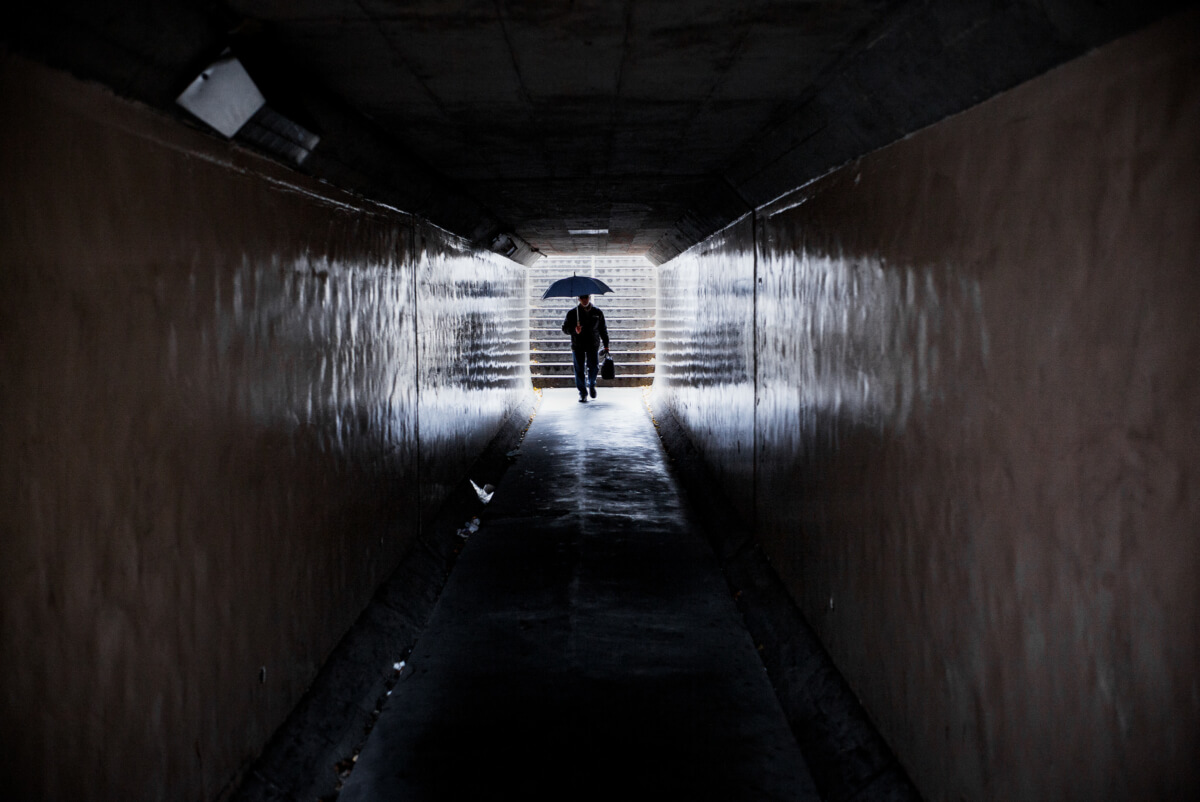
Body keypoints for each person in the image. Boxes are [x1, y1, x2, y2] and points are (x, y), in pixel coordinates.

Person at [561, 294, 610, 402]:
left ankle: (591, 384)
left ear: (589, 298)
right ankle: (583, 393)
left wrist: (606, 345)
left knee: (594, 367)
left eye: (586, 297)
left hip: (593, 344)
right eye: (582, 298)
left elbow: (603, 329)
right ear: (578, 299)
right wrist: (574, 330)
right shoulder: (573, 313)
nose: (584, 300)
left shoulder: (597, 312)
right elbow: (564, 328)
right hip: (578, 345)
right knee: (579, 369)